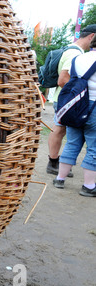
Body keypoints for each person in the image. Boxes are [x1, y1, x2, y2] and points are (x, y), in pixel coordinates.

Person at [46, 25, 96, 176]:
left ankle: (56, 166)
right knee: (60, 131)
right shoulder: (75, 53)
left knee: (64, 134)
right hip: (71, 102)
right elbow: (63, 79)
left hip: (68, 100)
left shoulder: (72, 50)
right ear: (92, 36)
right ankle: (53, 162)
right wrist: (82, 93)